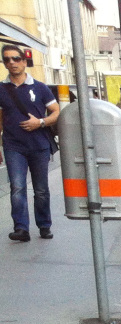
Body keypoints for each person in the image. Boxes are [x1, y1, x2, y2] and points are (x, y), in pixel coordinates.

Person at [0, 43, 60, 241]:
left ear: (24, 61)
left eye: (16, 58)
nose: (12, 62)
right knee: (17, 187)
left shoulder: (40, 87)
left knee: (41, 189)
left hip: (38, 145)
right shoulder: (1, 88)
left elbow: (56, 112)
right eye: (7, 59)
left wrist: (40, 122)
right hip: (13, 146)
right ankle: (21, 229)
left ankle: (44, 225)